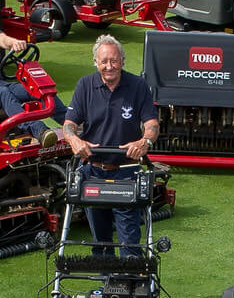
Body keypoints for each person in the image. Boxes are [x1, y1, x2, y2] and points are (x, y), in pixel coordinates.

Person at [58, 34, 159, 257]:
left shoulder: (138, 86)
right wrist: (75, 140)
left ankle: (131, 283)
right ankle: (106, 285)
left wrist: (145, 141)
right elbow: (69, 124)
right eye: (104, 61)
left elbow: (152, 123)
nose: (109, 66)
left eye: (114, 60)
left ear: (122, 60)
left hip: (126, 171)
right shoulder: (85, 85)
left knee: (129, 237)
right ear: (96, 62)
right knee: (100, 238)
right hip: (93, 170)